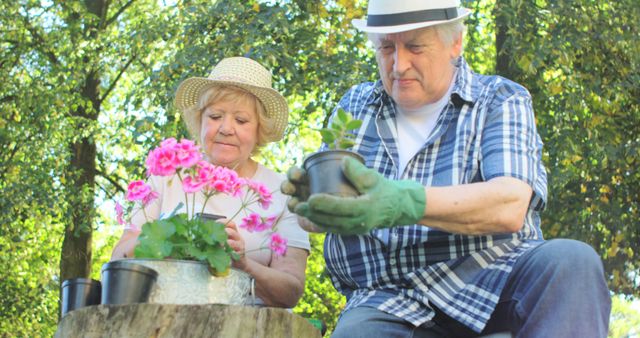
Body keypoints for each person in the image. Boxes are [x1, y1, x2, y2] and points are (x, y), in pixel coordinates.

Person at [282, 1, 610, 337]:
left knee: (571, 261)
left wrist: (401, 201)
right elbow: (320, 213)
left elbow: (510, 204)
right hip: (387, 298)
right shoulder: (355, 105)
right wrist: (313, 208)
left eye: (414, 46)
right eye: (386, 47)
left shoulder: (499, 99)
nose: (399, 64)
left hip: (492, 280)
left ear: (455, 43)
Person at [112, 56, 310, 308]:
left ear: (260, 129)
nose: (226, 128)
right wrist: (168, 239)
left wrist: (243, 264)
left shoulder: (283, 193)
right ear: (200, 120)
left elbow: (290, 291)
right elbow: (118, 258)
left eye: (241, 120)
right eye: (215, 116)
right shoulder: (169, 175)